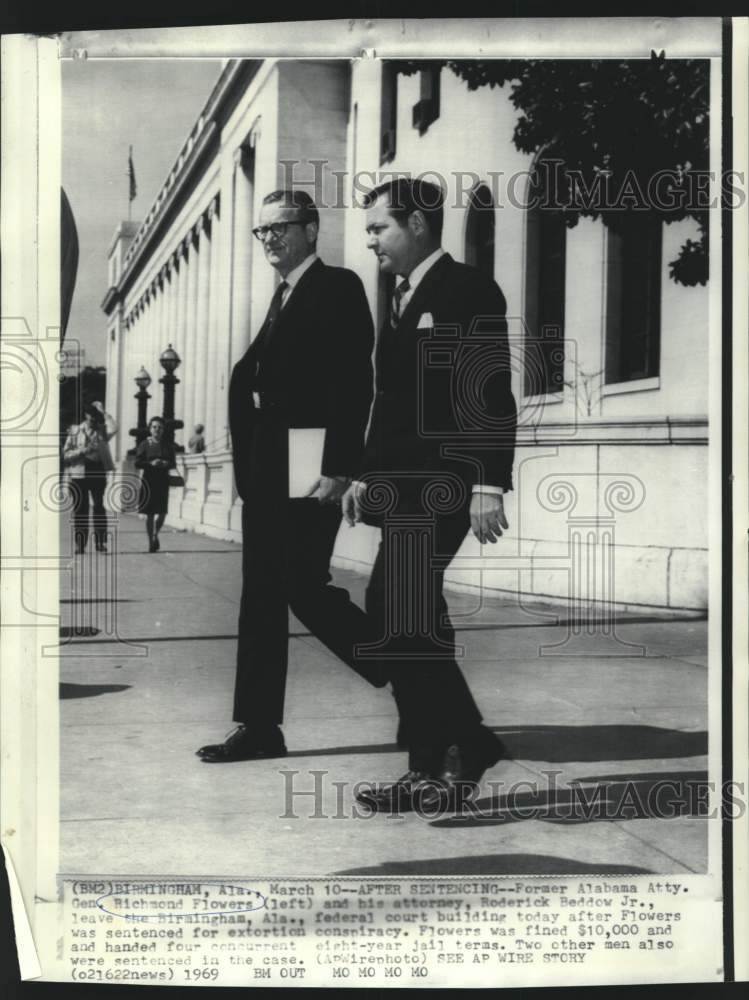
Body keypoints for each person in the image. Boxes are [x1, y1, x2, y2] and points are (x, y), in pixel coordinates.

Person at [341, 178, 517, 812]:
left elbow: (490, 392)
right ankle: (433, 758)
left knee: (398, 603)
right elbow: (389, 402)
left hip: (449, 482)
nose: (371, 242)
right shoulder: (401, 297)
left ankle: (464, 744)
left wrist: (487, 482)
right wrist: (365, 473)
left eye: (378, 229)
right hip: (404, 486)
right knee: (401, 611)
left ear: (416, 223)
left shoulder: (469, 289)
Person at [197, 189, 381, 764]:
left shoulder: (338, 286)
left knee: (301, 586)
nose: (269, 239)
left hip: (309, 455)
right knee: (262, 593)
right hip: (271, 461)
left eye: (280, 228)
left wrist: (340, 467)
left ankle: (400, 663)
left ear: (310, 229)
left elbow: (355, 382)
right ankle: (259, 727)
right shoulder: (281, 297)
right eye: (262, 231)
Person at [63, 401, 117, 554]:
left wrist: (104, 412)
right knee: (81, 509)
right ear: (85, 415)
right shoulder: (75, 431)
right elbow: (65, 454)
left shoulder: (102, 431)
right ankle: (80, 544)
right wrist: (81, 451)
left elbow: (115, 427)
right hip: (78, 473)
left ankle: (101, 543)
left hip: (98, 471)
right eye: (91, 415)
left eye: (96, 415)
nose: (93, 418)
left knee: (99, 507)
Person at [134, 416, 176, 553]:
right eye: (154, 427)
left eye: (160, 427)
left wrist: (165, 463)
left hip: (163, 481)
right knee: (150, 513)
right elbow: (137, 463)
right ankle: (151, 540)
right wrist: (150, 463)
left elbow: (173, 463)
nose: (157, 429)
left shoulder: (168, 445)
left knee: (162, 512)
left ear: (163, 430)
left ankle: (155, 534)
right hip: (149, 480)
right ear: (150, 429)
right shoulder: (144, 444)